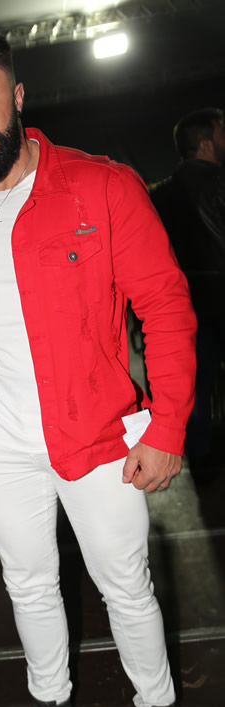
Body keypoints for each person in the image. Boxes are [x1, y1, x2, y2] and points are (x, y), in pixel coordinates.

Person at [0, 24, 197, 707]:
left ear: (17, 96)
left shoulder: (101, 186)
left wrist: (166, 427)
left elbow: (166, 307)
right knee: (26, 583)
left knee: (125, 585)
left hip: (96, 435)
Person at [151, 108, 225, 470]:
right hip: (220, 300)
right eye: (222, 134)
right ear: (206, 144)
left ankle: (200, 460)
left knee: (193, 386)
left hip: (183, 309)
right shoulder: (220, 184)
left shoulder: (158, 195)